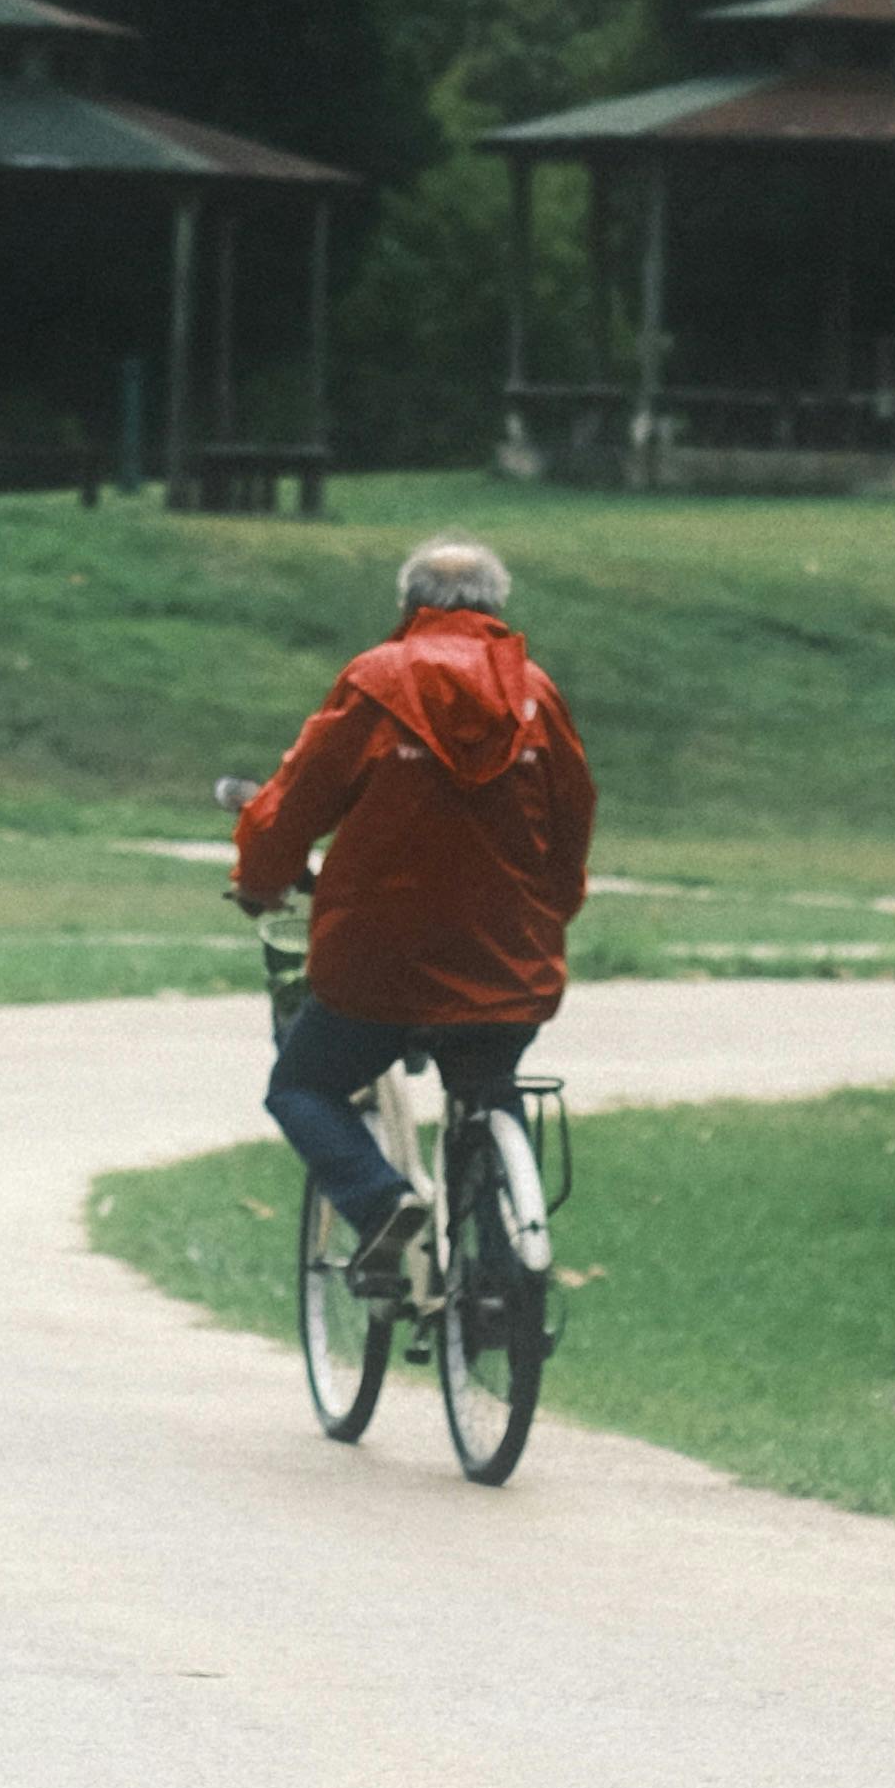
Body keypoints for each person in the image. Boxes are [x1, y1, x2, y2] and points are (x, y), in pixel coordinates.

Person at [228, 532, 594, 1300]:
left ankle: (379, 1200)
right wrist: (550, 911)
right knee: (489, 1083)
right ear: (497, 609)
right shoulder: (537, 694)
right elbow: (572, 821)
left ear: (409, 607)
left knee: (301, 1086)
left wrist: (260, 881)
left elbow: (293, 807)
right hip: (506, 967)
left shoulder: (377, 682)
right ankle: (503, 1278)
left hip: (378, 970)